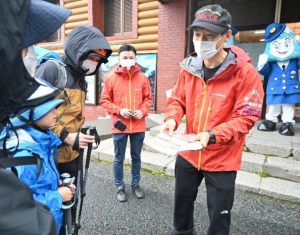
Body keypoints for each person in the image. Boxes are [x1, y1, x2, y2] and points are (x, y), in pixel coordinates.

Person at [161, 5, 264, 235]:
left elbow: (246, 116)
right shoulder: (189, 67)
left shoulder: (245, 73)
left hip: (222, 158)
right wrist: (171, 119)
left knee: (219, 217)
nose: (201, 41)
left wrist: (213, 134)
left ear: (227, 36)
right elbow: (177, 100)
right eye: (197, 35)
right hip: (188, 153)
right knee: (181, 209)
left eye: (209, 37)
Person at [35, 25, 112, 181]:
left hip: (73, 153)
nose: (94, 64)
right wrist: (65, 136)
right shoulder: (52, 69)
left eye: (98, 61)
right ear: (77, 50)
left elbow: (70, 116)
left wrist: (81, 132)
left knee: (71, 198)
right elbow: (33, 112)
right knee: (51, 201)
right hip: (49, 154)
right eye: (91, 58)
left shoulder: (81, 79)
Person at [0, 97, 75, 234]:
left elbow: (36, 183)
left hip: (47, 223)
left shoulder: (41, 141)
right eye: (49, 109)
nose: (56, 113)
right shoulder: (24, 155)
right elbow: (17, 207)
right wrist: (58, 197)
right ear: (30, 113)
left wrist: (57, 183)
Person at [100, 44, 153, 202]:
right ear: (119, 59)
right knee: (119, 158)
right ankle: (119, 187)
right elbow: (104, 100)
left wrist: (142, 111)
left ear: (136, 59)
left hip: (138, 125)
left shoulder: (143, 78)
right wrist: (119, 110)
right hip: (119, 124)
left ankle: (135, 185)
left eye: (131, 57)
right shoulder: (111, 79)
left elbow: (148, 99)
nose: (128, 60)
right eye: (125, 57)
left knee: (136, 157)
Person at [257, 23, 300, 136]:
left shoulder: (295, 59)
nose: (282, 48)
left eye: (286, 43)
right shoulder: (271, 61)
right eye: (276, 45)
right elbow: (264, 71)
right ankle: (270, 121)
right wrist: (261, 64)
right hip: (275, 88)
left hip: (290, 88)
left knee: (288, 106)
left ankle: (287, 124)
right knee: (273, 106)